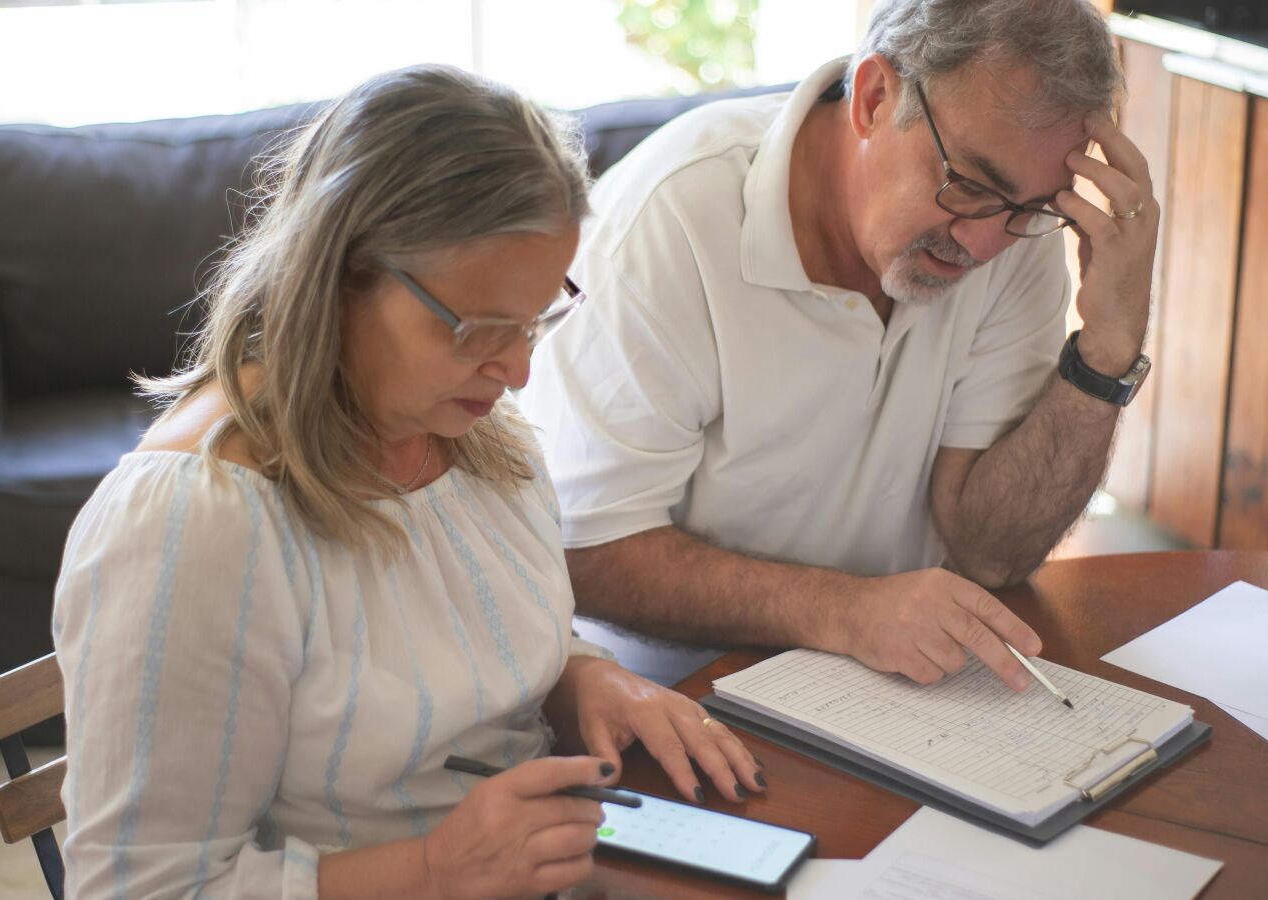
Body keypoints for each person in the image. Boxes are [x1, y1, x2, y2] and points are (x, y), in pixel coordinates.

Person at [52, 64, 763, 900]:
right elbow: (135, 888)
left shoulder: (477, 439)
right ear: (340, 273)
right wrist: (432, 871)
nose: (519, 370)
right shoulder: (194, 526)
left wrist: (580, 679)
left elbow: (467, 641)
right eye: (478, 328)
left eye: (536, 319)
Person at [518, 0, 1159, 688]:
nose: (983, 244)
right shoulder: (668, 224)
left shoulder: (1009, 235)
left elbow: (991, 554)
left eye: (1030, 210)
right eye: (968, 185)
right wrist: (845, 612)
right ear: (875, 98)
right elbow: (585, 550)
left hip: (899, 681)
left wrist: (1107, 349)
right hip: (679, 694)